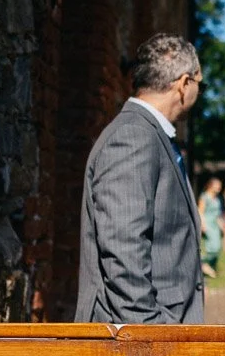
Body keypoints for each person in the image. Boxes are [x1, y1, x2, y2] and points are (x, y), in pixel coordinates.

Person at [75, 33, 204, 323]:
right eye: (200, 83)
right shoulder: (134, 136)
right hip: (133, 347)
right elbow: (123, 250)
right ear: (184, 84)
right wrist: (152, 330)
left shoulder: (150, 135)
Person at [198, 176, 225, 279]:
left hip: (215, 225)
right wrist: (203, 225)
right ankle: (204, 266)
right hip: (207, 224)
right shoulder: (204, 197)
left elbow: (218, 214)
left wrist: (222, 225)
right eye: (217, 185)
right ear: (211, 185)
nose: (219, 187)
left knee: (217, 247)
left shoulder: (217, 198)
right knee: (210, 247)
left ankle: (210, 266)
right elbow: (200, 211)